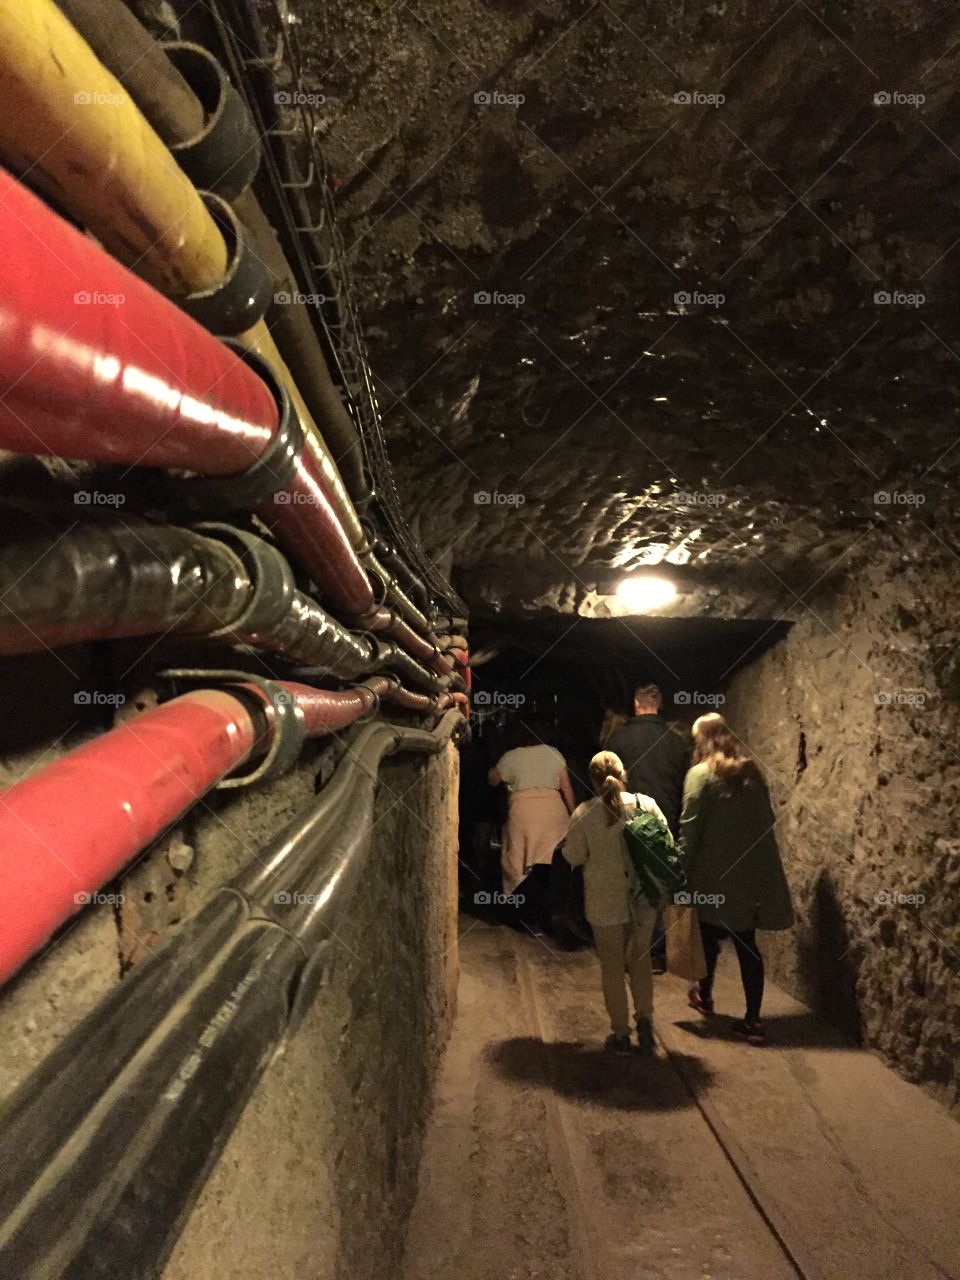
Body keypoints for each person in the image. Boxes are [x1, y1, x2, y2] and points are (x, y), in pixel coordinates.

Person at [679, 713, 794, 1046]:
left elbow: (690, 828)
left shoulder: (700, 776)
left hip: (712, 876)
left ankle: (705, 994)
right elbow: (766, 821)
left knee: (707, 935)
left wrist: (678, 869)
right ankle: (753, 1019)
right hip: (747, 877)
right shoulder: (751, 773)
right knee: (746, 944)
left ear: (702, 740)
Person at [563, 751, 669, 1055]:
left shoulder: (584, 813)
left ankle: (621, 1033)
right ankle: (645, 1019)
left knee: (611, 966)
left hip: (604, 900)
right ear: (624, 774)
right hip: (642, 899)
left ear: (593, 779)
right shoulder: (646, 805)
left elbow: (574, 856)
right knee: (641, 959)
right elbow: (664, 843)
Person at [607, 684, 689, 972]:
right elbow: (683, 786)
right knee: (658, 888)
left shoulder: (618, 739)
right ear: (658, 706)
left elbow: (609, 783)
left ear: (636, 704)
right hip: (665, 821)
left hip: (628, 821)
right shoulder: (677, 744)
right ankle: (655, 953)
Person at [488, 723, 574, 923]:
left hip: (523, 815)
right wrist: (573, 813)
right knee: (552, 865)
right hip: (553, 815)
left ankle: (528, 918)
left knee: (525, 866)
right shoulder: (554, 753)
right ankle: (554, 915)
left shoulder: (511, 757)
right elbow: (566, 786)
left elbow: (493, 779)